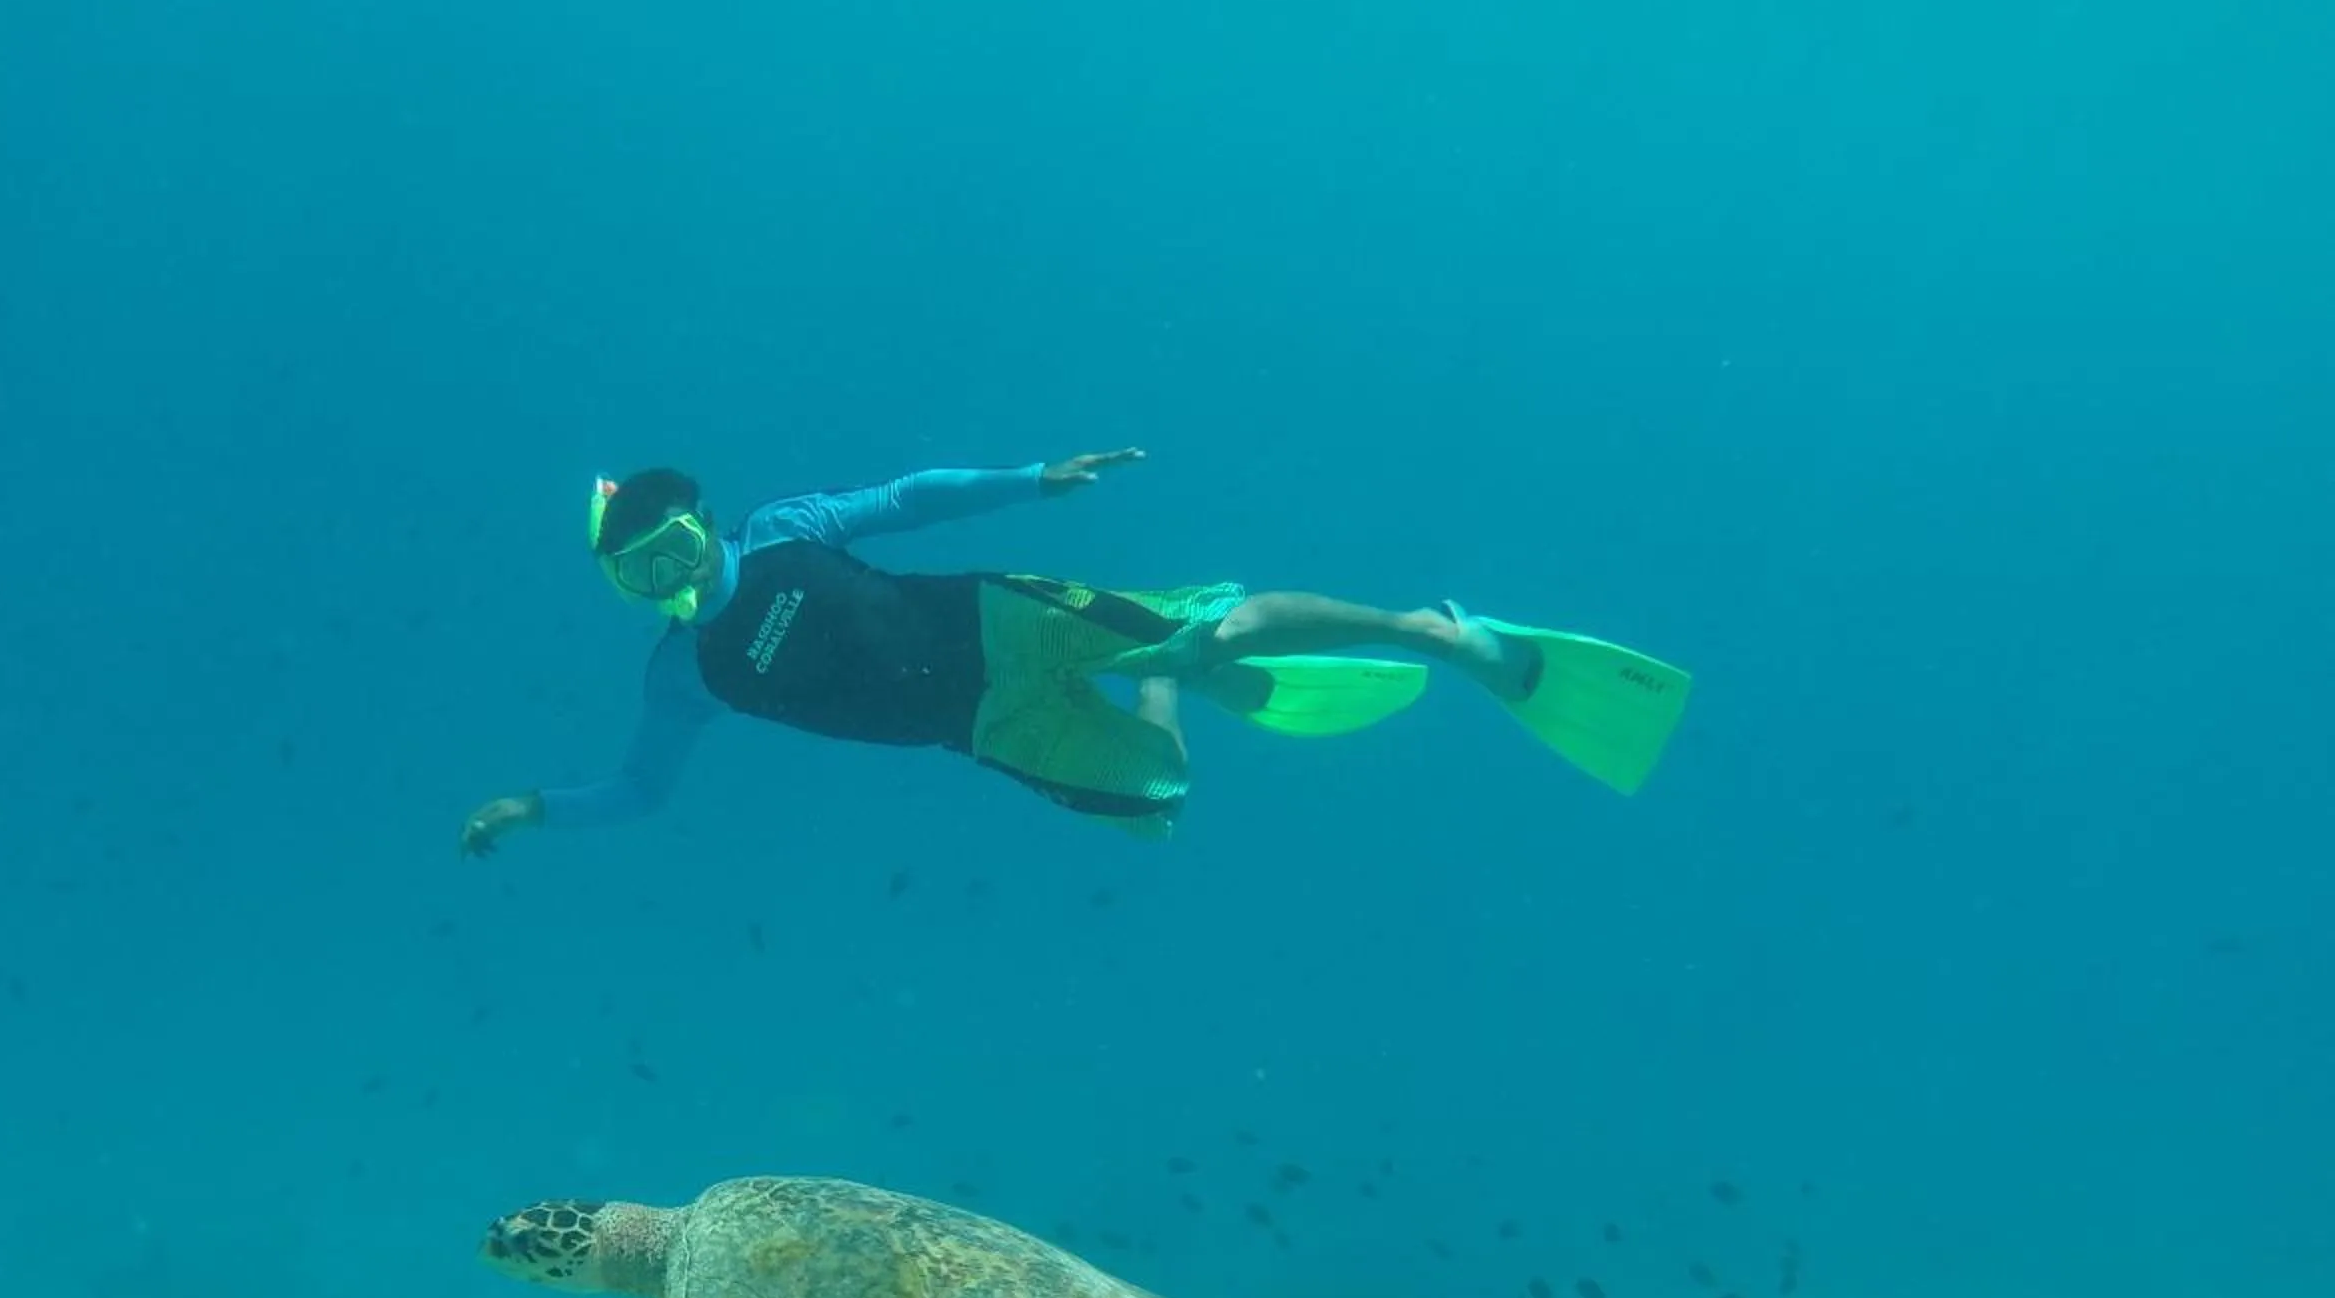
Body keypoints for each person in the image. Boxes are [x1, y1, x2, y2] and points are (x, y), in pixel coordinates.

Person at [459, 448, 1690, 854]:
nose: (673, 582)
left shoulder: (785, 532)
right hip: (983, 728)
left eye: (675, 551)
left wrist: (1033, 479)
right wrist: (532, 806)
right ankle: (1165, 684)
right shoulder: (684, 677)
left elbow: (907, 499)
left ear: (707, 523)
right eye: (643, 577)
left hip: (1009, 617)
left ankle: (1441, 634)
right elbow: (642, 790)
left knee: (1210, 630)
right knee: (1158, 806)